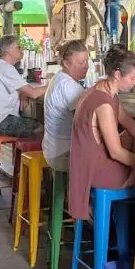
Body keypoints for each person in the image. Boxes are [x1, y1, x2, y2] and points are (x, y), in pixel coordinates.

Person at [68, 44, 135, 220]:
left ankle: (132, 232)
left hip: (92, 161)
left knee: (132, 138)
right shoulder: (104, 104)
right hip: (94, 171)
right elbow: (116, 152)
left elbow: (134, 128)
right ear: (118, 75)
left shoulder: (104, 90)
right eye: (133, 78)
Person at [0, 35, 47, 140]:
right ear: (9, 51)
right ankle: (22, 156)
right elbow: (33, 93)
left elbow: (20, 87)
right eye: (18, 47)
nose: (22, 50)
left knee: (32, 122)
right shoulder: (6, 68)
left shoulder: (0, 65)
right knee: (41, 129)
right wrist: (54, 84)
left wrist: (23, 93)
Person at [42, 40, 88, 172]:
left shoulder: (59, 77)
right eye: (80, 63)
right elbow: (83, 124)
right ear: (66, 63)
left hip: (52, 149)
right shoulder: (69, 86)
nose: (86, 66)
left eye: (86, 61)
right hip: (63, 154)